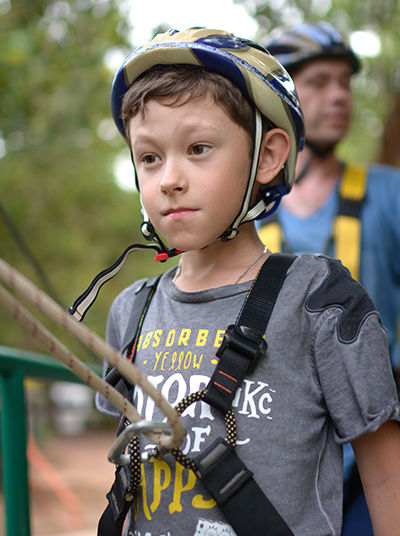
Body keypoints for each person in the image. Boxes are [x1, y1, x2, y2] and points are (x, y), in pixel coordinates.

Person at [90, 28, 400, 535]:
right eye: (149, 157)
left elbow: (386, 477)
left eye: (198, 148)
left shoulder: (319, 301)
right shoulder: (132, 311)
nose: (169, 178)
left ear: (269, 157)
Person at [257, 21, 400, 535]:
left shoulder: (390, 194)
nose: (339, 96)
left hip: (377, 459)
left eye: (345, 82)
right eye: (319, 83)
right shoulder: (244, 216)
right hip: (272, 456)